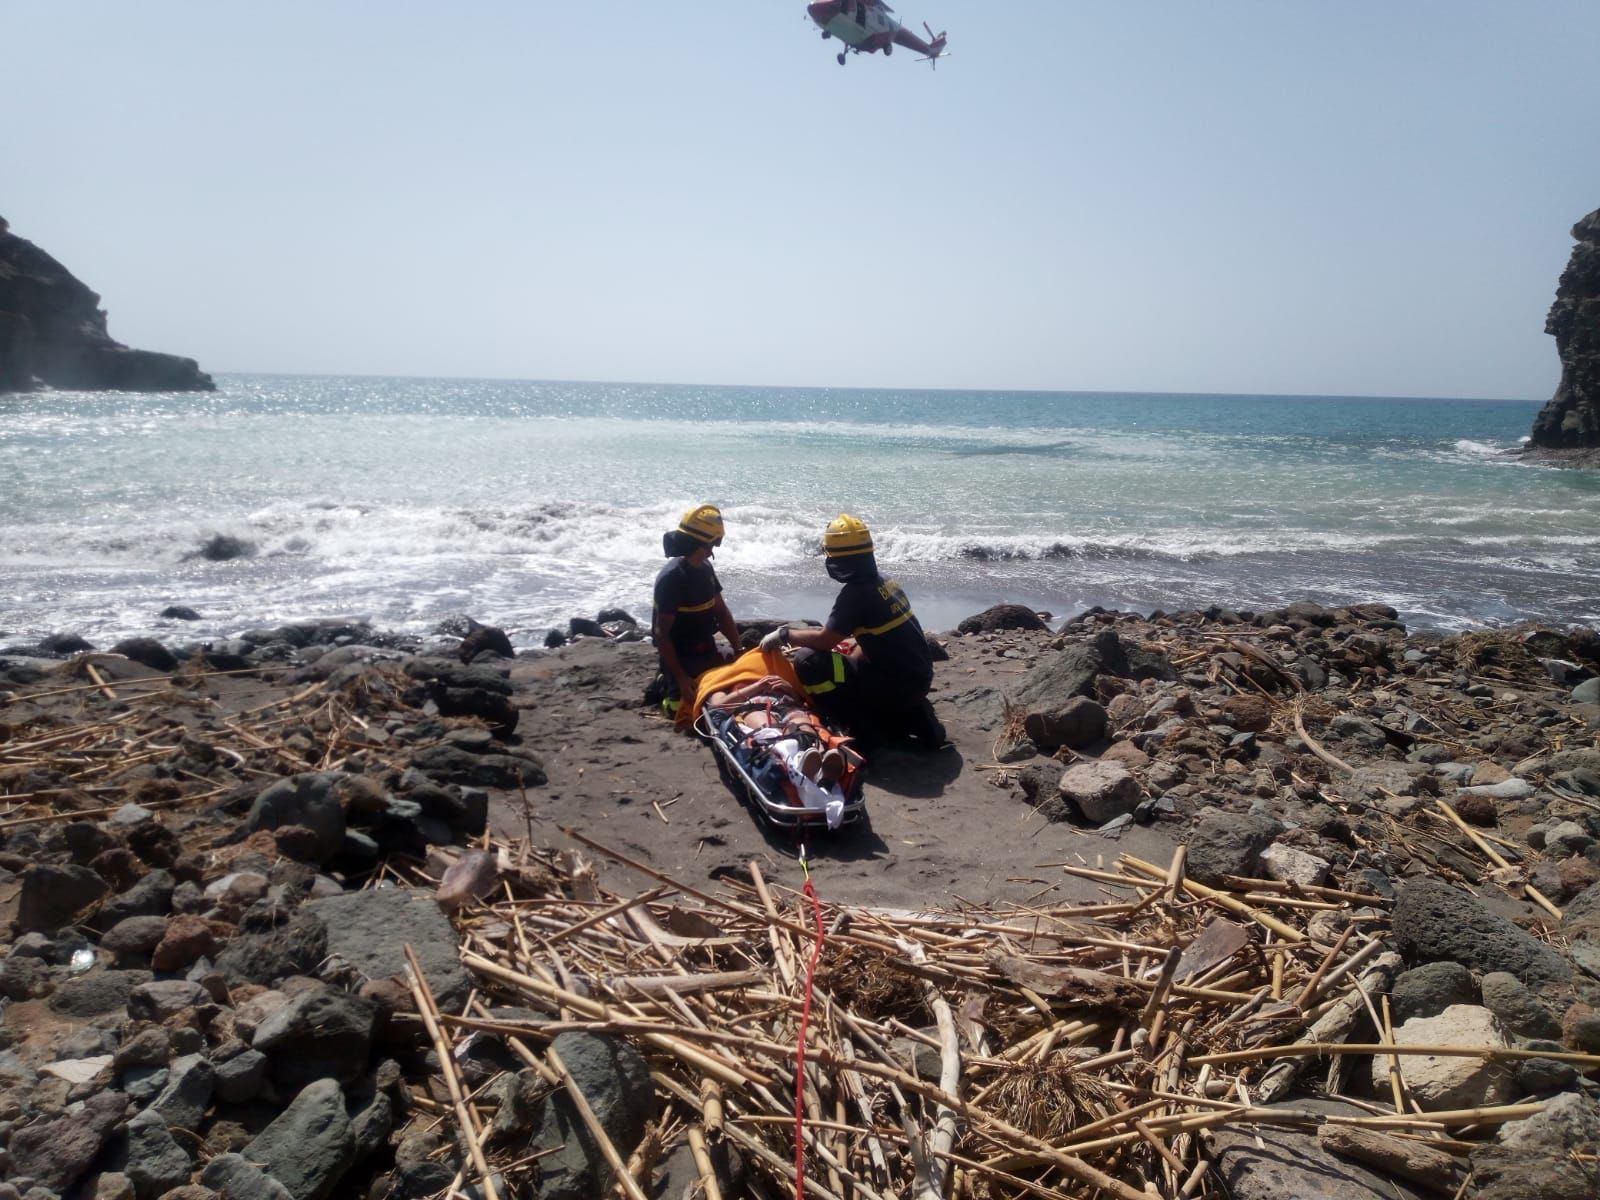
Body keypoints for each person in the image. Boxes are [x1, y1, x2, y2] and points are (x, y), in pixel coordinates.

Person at [761, 513, 946, 749]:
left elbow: (825, 640)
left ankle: (854, 724)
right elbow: (873, 640)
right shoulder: (885, 581)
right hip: (918, 679)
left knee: (807, 660)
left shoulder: (856, 594)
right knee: (852, 656)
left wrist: (785, 634)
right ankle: (908, 714)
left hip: (895, 687)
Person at [652, 504, 741, 718]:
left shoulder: (705, 569)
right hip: (681, 656)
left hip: (705, 647)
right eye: (713, 543)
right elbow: (661, 635)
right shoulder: (673, 578)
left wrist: (738, 649)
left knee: (741, 677)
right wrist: (681, 678)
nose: (714, 550)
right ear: (701, 542)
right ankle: (668, 680)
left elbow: (721, 612)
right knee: (686, 708)